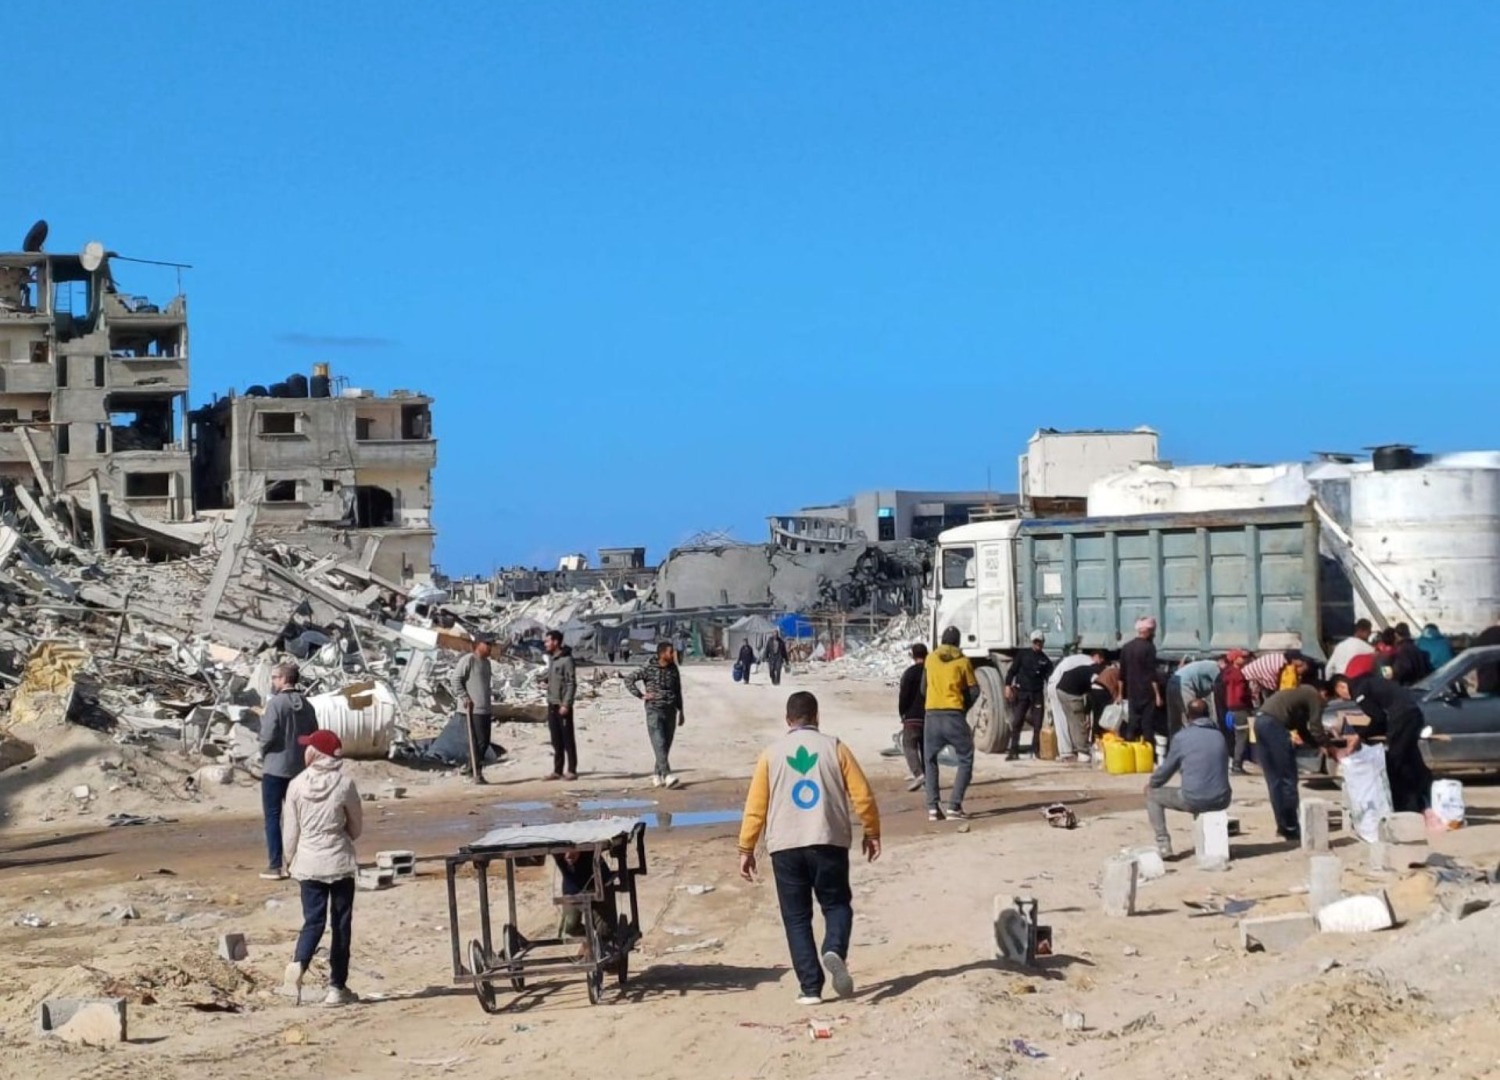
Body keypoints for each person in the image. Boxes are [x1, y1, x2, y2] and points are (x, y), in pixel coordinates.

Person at [737, 691, 880, 1005]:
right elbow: (863, 796)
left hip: (785, 846)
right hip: (828, 840)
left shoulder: (771, 754)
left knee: (796, 917)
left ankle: (810, 988)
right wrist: (872, 831)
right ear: (817, 716)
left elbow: (755, 807)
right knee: (837, 904)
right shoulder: (835, 747)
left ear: (788, 720)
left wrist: (746, 848)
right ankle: (834, 948)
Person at [281, 729, 363, 1007]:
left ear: (315, 753)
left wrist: (289, 859)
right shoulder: (345, 784)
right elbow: (356, 827)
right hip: (339, 861)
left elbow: (290, 830)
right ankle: (337, 988)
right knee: (341, 925)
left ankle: (297, 965)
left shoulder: (295, 785)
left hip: (308, 862)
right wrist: (342, 835)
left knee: (313, 921)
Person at [1331, 671, 1433, 817]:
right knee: (1412, 759)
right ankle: (1426, 800)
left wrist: (1359, 735)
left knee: (1395, 763)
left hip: (1401, 718)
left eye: (1340, 694)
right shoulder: (1367, 681)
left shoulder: (1359, 691)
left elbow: (1378, 719)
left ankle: (1407, 806)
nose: (1344, 698)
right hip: (1413, 713)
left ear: (1341, 686)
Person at [1144, 698, 1232, 858]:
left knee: (1152, 796)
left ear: (1187, 716)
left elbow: (1166, 770)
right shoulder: (1219, 736)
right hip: (1222, 798)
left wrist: (1152, 783)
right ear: (1209, 714)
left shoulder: (1181, 738)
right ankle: (1209, 842)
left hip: (1194, 798)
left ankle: (1164, 845)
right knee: (1202, 786)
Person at [258, 661, 318, 880]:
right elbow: (313, 736)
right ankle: (302, 862)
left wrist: (262, 753)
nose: (273, 681)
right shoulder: (307, 704)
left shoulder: (276, 704)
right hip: (300, 769)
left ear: (284, 679)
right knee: (300, 817)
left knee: (273, 817)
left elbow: (267, 735)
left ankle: (275, 865)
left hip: (275, 768)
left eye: (275, 677)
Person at [1252, 682, 1334, 842]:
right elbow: (1316, 728)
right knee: (1288, 779)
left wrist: (1317, 745)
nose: (1324, 705)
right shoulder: (1314, 696)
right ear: (1324, 693)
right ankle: (1290, 827)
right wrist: (1328, 746)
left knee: (1275, 780)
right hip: (1274, 725)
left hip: (1260, 722)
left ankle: (1283, 825)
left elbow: (1303, 730)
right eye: (1327, 701)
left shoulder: (1297, 696)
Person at [923, 627, 979, 821]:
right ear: (957, 643)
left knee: (929, 760)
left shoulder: (930, 659)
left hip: (931, 716)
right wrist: (963, 708)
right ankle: (954, 806)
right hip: (954, 714)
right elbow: (974, 690)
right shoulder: (963, 662)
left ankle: (932, 807)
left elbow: (924, 688)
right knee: (965, 758)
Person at [625, 643, 686, 788]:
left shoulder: (673, 669)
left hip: (670, 710)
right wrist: (641, 695)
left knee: (665, 745)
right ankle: (667, 775)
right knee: (658, 742)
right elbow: (629, 680)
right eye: (670, 652)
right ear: (662, 653)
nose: (673, 655)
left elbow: (678, 690)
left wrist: (681, 711)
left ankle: (657, 773)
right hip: (654, 710)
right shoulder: (649, 667)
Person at [449, 634, 496, 784]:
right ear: (478, 644)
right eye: (486, 644)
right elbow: (456, 679)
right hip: (473, 709)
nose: (489, 648)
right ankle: (476, 772)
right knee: (479, 741)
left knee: (484, 741)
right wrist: (464, 697)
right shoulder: (469, 660)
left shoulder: (487, 663)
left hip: (484, 708)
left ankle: (471, 768)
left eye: (491, 645)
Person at [1003, 630, 1054, 761]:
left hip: (1037, 694)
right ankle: (1013, 751)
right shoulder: (1022, 654)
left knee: (1037, 724)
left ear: (1043, 643)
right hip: (1022, 693)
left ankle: (1035, 750)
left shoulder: (1045, 660)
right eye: (1036, 642)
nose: (1038, 644)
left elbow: (1050, 679)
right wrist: (1007, 685)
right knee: (1017, 721)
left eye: (1040, 642)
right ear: (1032, 642)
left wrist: (1051, 694)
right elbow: (1012, 671)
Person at [1052, 649, 1105, 764]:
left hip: (1060, 689)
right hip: (1071, 692)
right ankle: (1083, 753)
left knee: (1072, 721)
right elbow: (1094, 690)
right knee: (1079, 723)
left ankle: (1075, 749)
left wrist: (1086, 710)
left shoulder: (1084, 665)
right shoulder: (1096, 671)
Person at [1119, 617, 1164, 749]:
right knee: (1147, 724)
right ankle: (1148, 753)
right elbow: (1152, 674)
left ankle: (1130, 750)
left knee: (1132, 722)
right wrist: (1157, 695)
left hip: (1132, 691)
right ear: (1149, 631)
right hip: (1146, 692)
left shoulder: (1126, 647)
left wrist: (1120, 694)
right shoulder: (1149, 648)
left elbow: (1122, 673)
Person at [543, 629, 578, 781]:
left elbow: (571, 683)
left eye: (547, 641)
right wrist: (546, 684)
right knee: (555, 739)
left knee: (567, 739)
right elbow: (555, 679)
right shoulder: (553, 659)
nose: (545, 644)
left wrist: (566, 703)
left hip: (562, 705)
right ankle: (557, 770)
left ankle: (571, 769)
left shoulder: (567, 660)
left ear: (556, 642)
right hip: (552, 703)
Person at [896, 643, 928, 791]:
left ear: (913, 656)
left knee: (909, 745)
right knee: (925, 748)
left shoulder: (909, 673)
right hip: (928, 716)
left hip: (912, 717)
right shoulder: (930, 672)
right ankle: (929, 777)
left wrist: (902, 712)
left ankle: (918, 773)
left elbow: (904, 696)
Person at [1167, 656, 1219, 743]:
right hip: (1185, 684)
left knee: (1175, 721)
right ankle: (1193, 744)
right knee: (1192, 717)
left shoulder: (1209, 665)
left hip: (1173, 680)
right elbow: (1221, 689)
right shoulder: (1216, 668)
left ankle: (1174, 746)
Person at [1216, 650, 1253, 773]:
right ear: (1235, 659)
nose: (1245, 659)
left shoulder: (1226, 673)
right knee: (1242, 737)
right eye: (1242, 657)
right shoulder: (1238, 675)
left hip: (1230, 708)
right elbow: (1241, 693)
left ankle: (1235, 763)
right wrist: (1249, 696)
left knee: (1236, 735)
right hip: (1240, 708)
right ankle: (1237, 765)